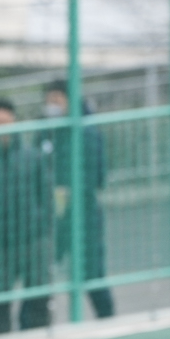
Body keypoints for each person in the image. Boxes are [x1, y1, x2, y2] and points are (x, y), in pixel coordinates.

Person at [0, 99, 53, 334]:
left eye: (4, 123)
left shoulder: (32, 157)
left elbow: (47, 197)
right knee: (0, 307)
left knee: (39, 301)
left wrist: (42, 227)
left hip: (32, 240)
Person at [41, 81, 113, 319]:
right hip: (51, 216)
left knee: (91, 273)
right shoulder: (45, 132)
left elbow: (96, 176)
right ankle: (37, 325)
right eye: (49, 101)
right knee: (42, 273)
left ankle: (107, 318)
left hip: (83, 214)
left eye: (57, 100)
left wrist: (69, 191)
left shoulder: (86, 132)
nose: (52, 106)